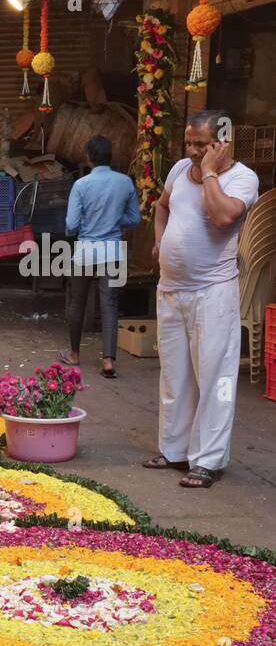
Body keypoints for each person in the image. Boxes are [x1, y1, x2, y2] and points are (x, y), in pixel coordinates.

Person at [143, 110, 259, 489]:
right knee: (174, 376)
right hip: (171, 290)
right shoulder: (178, 170)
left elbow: (224, 217)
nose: (192, 150)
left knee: (215, 379)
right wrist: (160, 240)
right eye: (188, 143)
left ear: (223, 140)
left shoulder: (242, 178)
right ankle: (174, 450)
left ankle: (208, 460)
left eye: (200, 144)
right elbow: (162, 206)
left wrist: (209, 172)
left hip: (213, 293)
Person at [60, 135, 140, 379]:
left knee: (77, 303)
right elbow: (134, 219)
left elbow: (71, 225)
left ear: (88, 157)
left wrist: (78, 228)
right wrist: (115, 222)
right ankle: (107, 360)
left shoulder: (81, 185)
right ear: (110, 157)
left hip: (86, 250)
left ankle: (74, 354)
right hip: (112, 250)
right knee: (110, 304)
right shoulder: (125, 182)